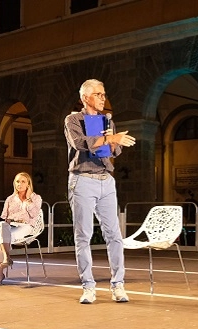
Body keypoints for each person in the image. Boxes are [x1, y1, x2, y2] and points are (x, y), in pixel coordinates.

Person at [64, 79, 136, 304]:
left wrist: (114, 143)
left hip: (106, 180)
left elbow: (115, 151)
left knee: (114, 235)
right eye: (98, 94)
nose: (103, 98)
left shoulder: (107, 120)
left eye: (104, 94)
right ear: (86, 97)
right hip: (83, 180)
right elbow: (79, 143)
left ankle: (118, 284)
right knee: (83, 235)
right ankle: (88, 286)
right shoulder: (73, 119)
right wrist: (110, 138)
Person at [0, 172, 42, 286]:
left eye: (23, 181)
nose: (20, 184)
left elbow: (34, 215)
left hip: (26, 226)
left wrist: (28, 200)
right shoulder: (10, 199)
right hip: (9, 226)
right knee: (2, 227)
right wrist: (6, 220)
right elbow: (3, 216)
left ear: (28, 184)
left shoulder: (36, 198)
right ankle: (6, 258)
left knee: (1, 238)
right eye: (18, 181)